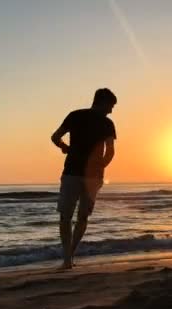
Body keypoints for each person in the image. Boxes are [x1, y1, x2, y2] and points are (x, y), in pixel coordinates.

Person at [51, 88, 117, 269]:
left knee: (66, 216)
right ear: (102, 102)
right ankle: (69, 256)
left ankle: (67, 258)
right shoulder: (107, 123)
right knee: (82, 217)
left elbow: (55, 137)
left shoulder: (75, 115)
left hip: (72, 172)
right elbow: (110, 152)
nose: (111, 110)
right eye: (110, 106)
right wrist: (100, 167)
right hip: (87, 177)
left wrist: (64, 147)